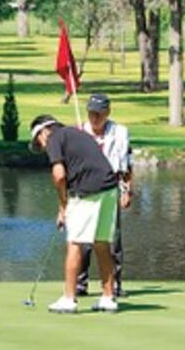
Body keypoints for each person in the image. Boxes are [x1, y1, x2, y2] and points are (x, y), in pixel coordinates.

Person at [30, 114, 120, 313]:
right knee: (101, 243)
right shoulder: (75, 133)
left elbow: (59, 175)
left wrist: (63, 206)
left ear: (44, 132)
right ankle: (108, 298)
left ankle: (69, 299)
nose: (42, 147)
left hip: (88, 191)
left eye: (39, 141)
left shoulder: (54, 137)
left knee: (75, 243)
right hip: (110, 188)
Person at [76, 92, 132, 298]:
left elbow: (126, 163)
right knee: (84, 240)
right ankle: (80, 284)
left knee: (112, 240)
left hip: (111, 189)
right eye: (91, 113)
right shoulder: (79, 132)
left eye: (99, 114)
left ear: (108, 112)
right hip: (85, 191)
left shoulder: (119, 133)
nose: (95, 118)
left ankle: (114, 284)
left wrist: (127, 190)